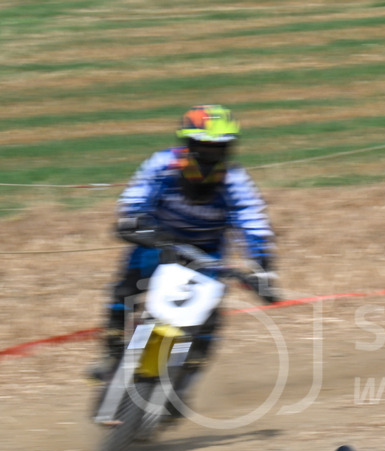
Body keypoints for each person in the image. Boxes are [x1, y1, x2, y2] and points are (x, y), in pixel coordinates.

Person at [90, 104, 278, 396]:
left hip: (206, 252)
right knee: (126, 288)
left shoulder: (235, 179)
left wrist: (263, 267)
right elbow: (136, 195)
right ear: (188, 145)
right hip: (159, 240)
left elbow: (251, 219)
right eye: (204, 148)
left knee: (209, 313)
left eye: (220, 149)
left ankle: (186, 379)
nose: (211, 156)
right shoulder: (161, 164)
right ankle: (112, 353)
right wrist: (131, 219)